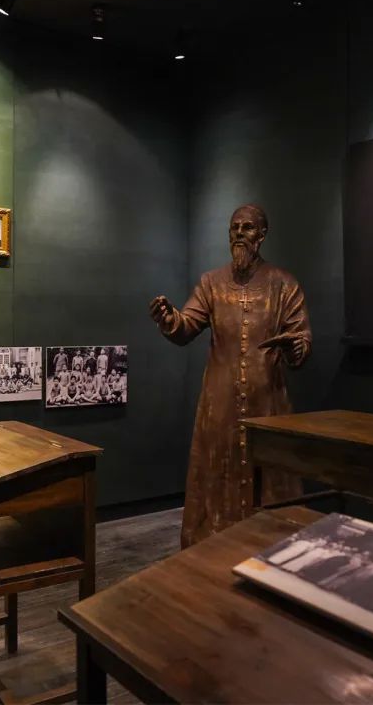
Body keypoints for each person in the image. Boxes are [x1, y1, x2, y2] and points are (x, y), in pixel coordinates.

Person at [150, 204, 311, 548]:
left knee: (270, 480)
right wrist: (169, 320)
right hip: (219, 404)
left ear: (262, 235)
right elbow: (186, 326)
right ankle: (210, 547)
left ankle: (271, 546)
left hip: (267, 404)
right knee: (217, 472)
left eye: (247, 227)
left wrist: (296, 347)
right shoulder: (211, 283)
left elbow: (302, 340)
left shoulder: (284, 284)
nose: (239, 233)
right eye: (234, 227)